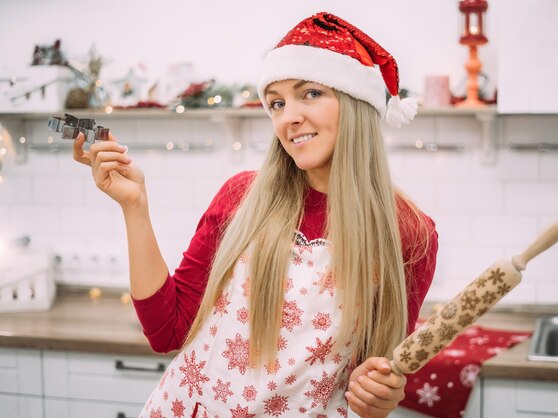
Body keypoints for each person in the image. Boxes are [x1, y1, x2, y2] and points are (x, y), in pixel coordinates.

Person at [72, 12, 438, 417]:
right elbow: (166, 330)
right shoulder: (241, 197)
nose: (288, 117)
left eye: (310, 93)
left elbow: (376, 374)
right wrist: (134, 206)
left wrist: (380, 395)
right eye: (277, 103)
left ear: (356, 103)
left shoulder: (409, 232)